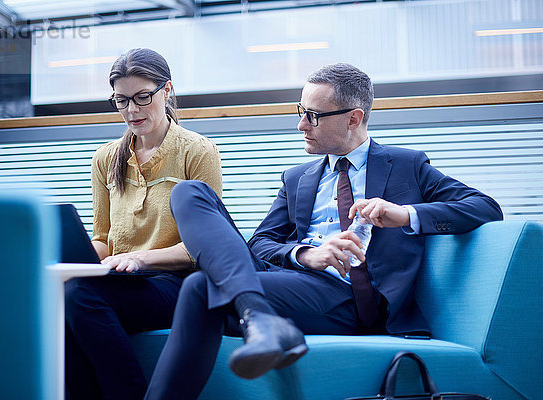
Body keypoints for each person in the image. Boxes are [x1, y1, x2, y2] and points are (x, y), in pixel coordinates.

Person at [142, 62, 504, 399]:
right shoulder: (297, 178)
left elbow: (484, 207)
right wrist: (305, 255)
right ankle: (261, 316)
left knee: (201, 286)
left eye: (313, 116)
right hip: (293, 280)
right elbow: (260, 245)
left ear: (354, 118)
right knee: (189, 192)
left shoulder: (406, 165)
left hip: (351, 297)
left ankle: (258, 317)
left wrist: (404, 214)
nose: (301, 125)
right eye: (301, 112)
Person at [64, 48, 222, 400]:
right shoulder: (106, 158)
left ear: (166, 92)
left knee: (79, 297)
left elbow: (202, 248)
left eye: (142, 97)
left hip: (177, 283)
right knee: (60, 296)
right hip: (124, 281)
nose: (131, 111)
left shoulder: (198, 151)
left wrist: (140, 259)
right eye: (121, 101)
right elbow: (104, 239)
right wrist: (72, 259)